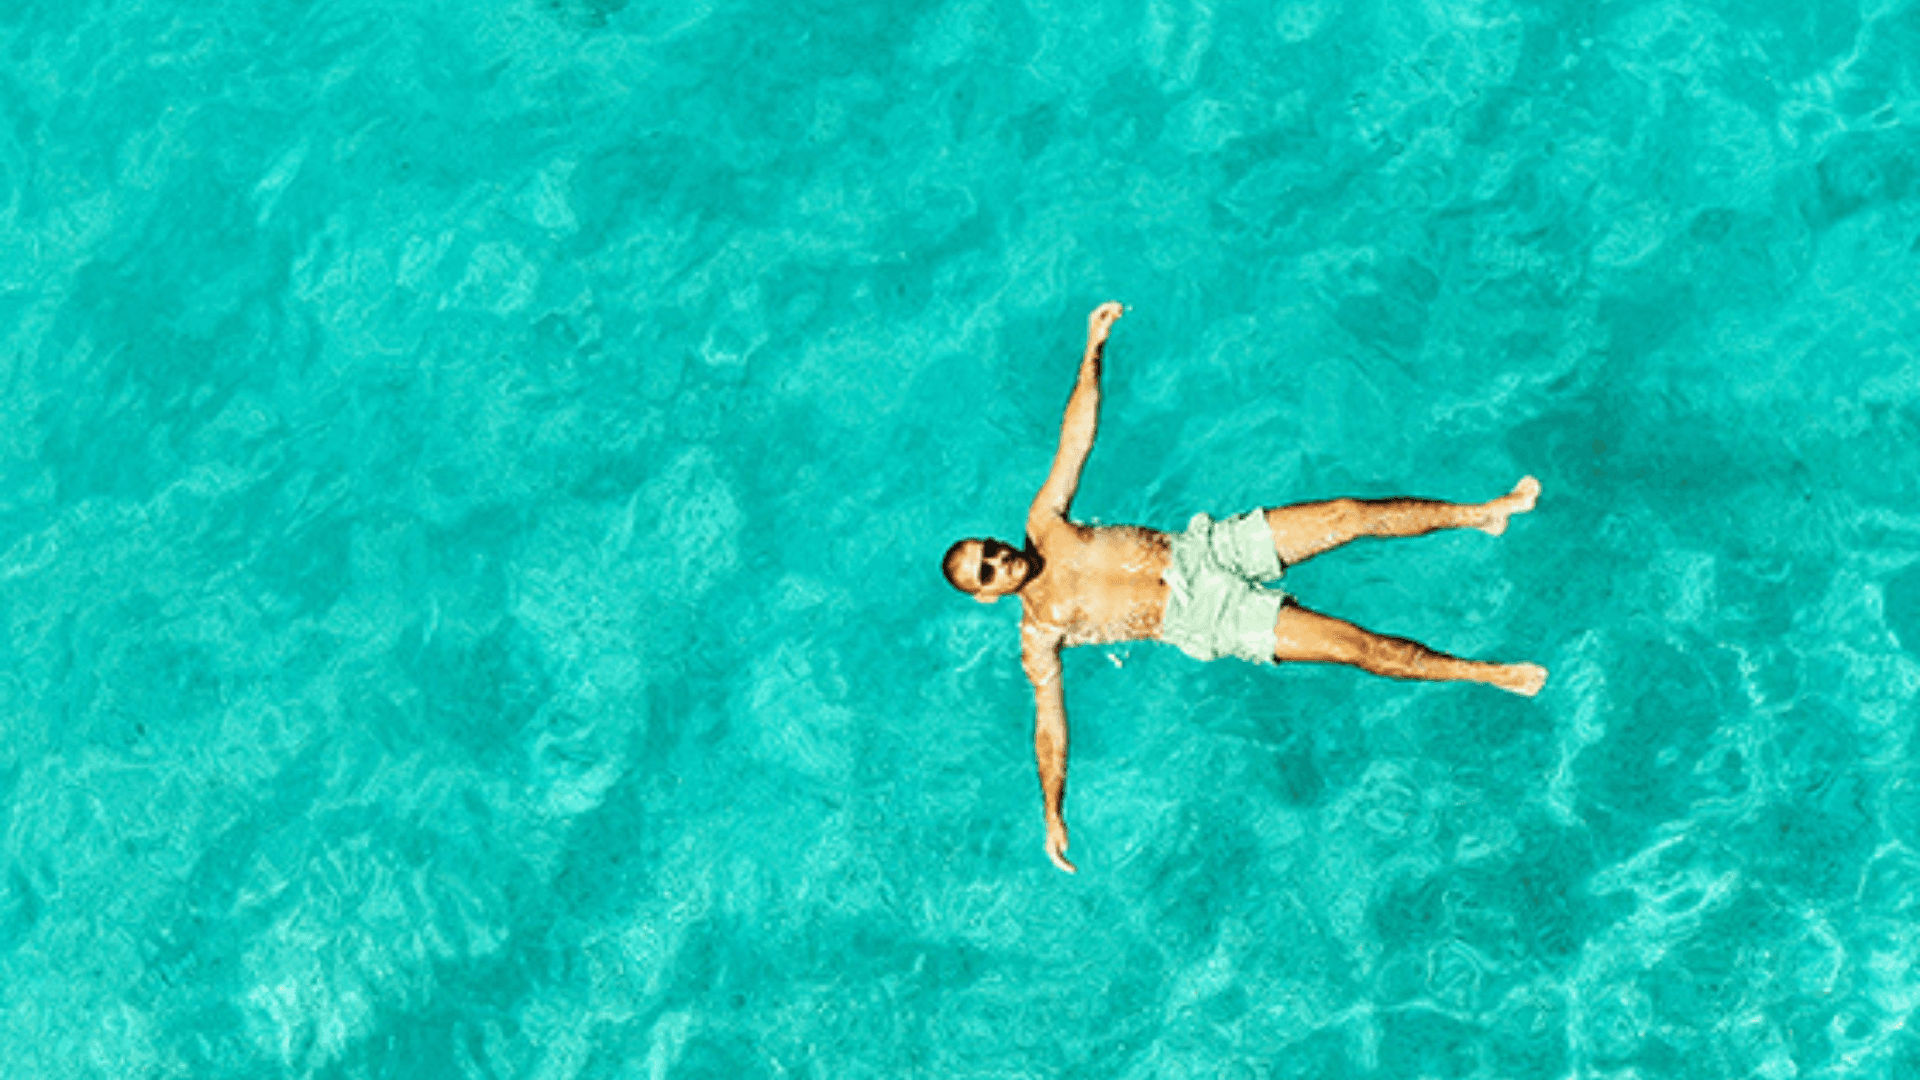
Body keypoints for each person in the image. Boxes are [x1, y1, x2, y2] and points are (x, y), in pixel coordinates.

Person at [941, 303, 1548, 873]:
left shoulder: (1045, 523)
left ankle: (1484, 512)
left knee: (1345, 513)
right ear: (986, 595)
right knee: (1354, 646)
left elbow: (1075, 440)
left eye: (990, 549)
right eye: (987, 571)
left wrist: (1093, 347)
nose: (1000, 560)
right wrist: (1052, 808)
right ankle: (1488, 673)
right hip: (1205, 616)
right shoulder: (1040, 634)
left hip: (1203, 548)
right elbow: (1050, 725)